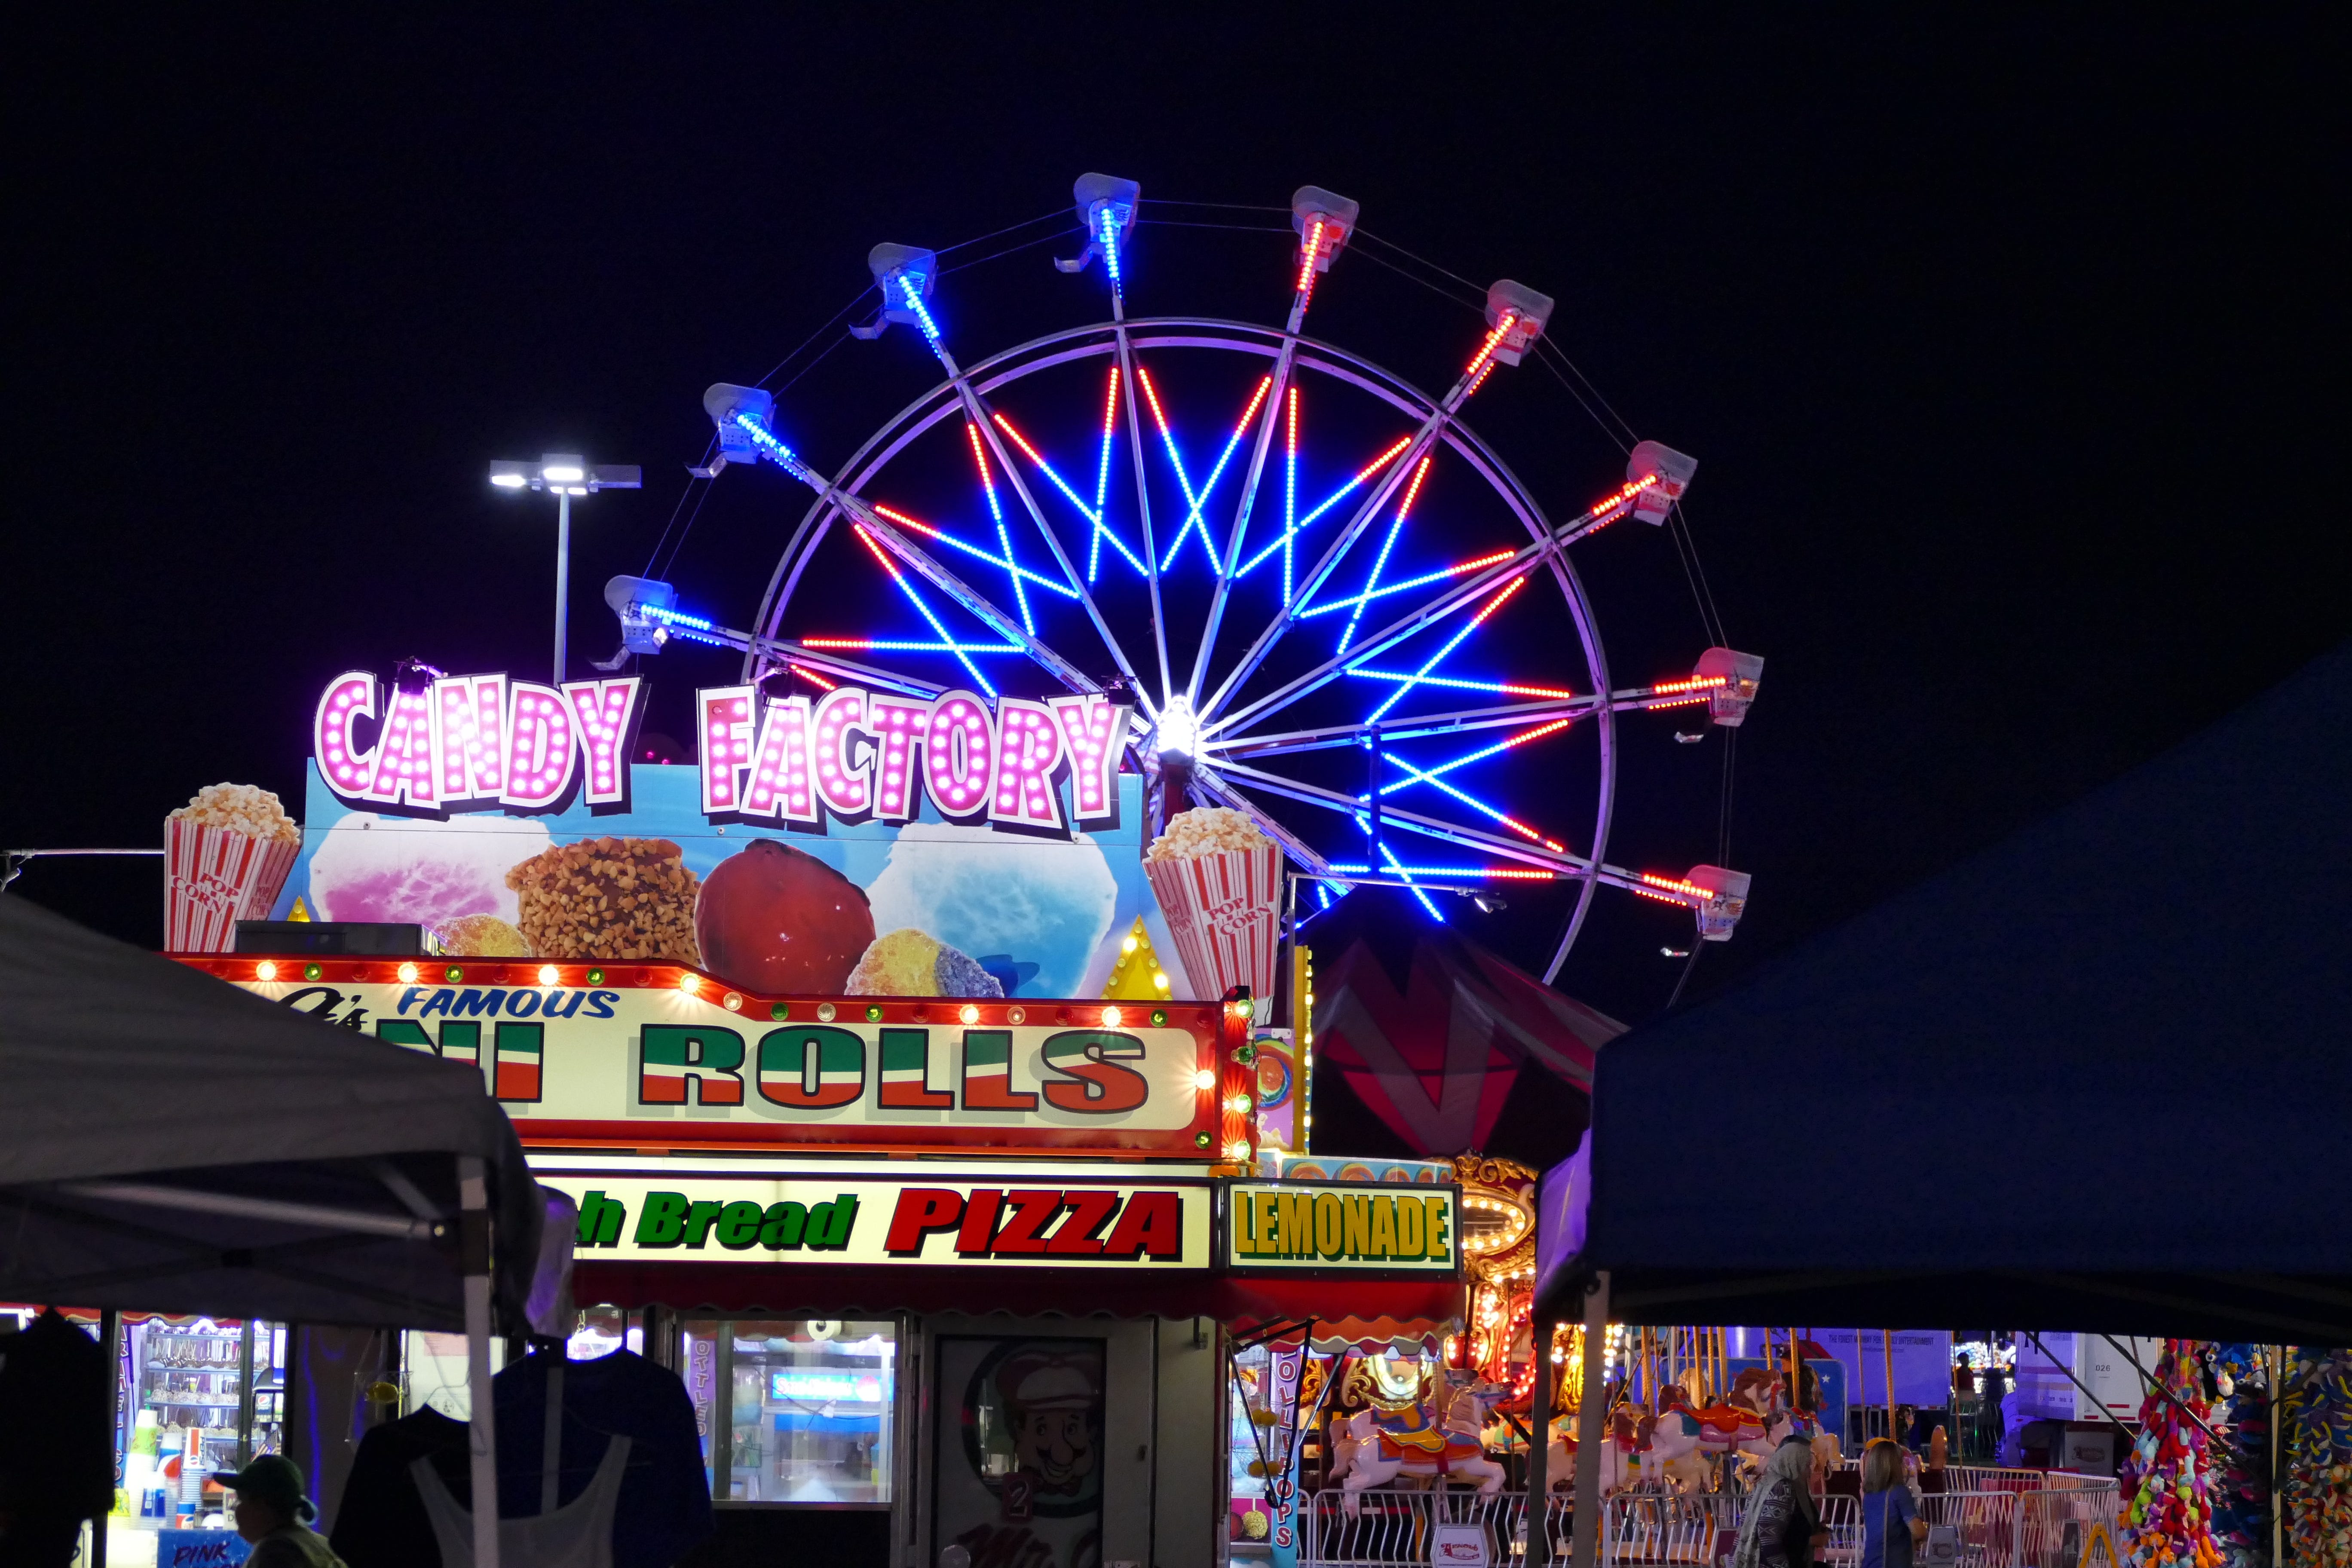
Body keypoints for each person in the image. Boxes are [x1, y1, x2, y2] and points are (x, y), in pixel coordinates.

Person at [213, 1454, 349, 1568]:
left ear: (262, 1505)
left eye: (241, 1500)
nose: (236, 1509)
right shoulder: (317, 1544)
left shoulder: (275, 1553)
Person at [1729, 1433, 1827, 1568]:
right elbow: (1768, 1533)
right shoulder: (1782, 1488)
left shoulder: (1768, 1482)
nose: (1809, 1471)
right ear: (1795, 1464)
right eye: (1806, 1465)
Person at [1860, 1438, 1927, 1568]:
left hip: (1872, 1563)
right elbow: (1918, 1531)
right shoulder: (1899, 1493)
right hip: (1893, 1562)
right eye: (1902, 1462)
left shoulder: (1869, 1495)